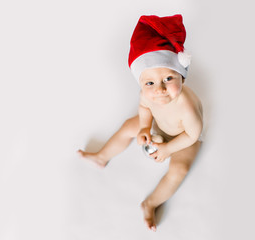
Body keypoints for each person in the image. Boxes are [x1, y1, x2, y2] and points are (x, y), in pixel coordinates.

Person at [78, 14, 203, 232]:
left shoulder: (187, 106)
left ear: (182, 76)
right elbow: (145, 108)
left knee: (179, 169)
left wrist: (167, 149)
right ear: (142, 82)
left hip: (182, 139)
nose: (160, 89)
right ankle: (102, 157)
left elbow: (192, 134)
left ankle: (151, 203)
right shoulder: (149, 96)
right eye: (150, 83)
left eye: (168, 79)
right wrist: (145, 127)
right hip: (159, 127)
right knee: (129, 125)